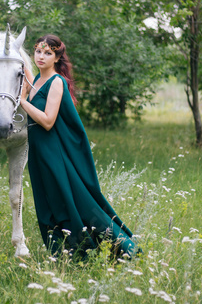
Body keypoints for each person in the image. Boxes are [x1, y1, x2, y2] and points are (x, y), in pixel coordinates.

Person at [20, 34, 138, 259]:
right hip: (38, 155)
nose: (41, 56)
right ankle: (62, 254)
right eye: (38, 51)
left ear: (57, 57)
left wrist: (22, 101)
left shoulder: (56, 82)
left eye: (48, 53)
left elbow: (47, 121)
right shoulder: (36, 80)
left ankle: (125, 251)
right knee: (47, 204)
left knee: (75, 204)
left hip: (55, 155)